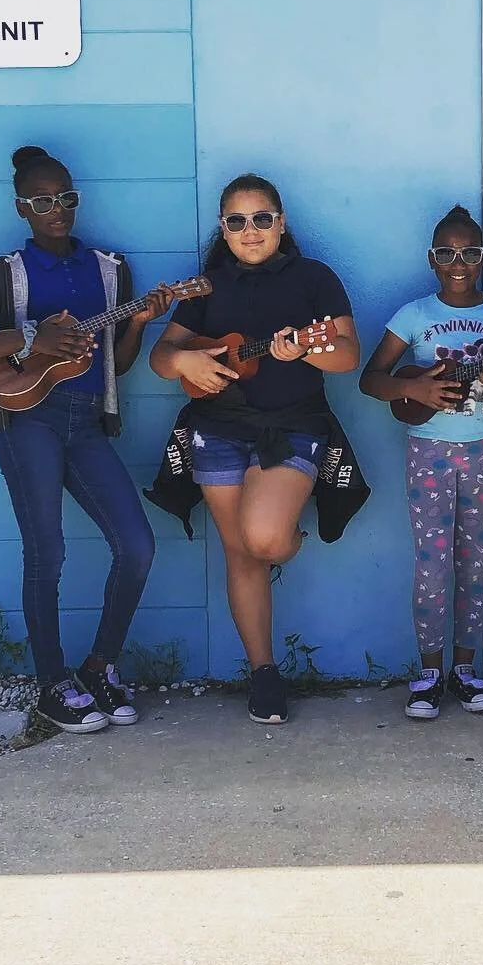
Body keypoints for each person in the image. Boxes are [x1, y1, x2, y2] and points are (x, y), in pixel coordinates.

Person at [0, 145, 170, 734]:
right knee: (48, 552)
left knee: (137, 546)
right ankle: (51, 682)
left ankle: (99, 667)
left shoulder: (112, 270)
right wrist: (27, 338)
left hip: (87, 420)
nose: (56, 209)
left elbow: (117, 363)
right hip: (27, 420)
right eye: (43, 201)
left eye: (66, 198)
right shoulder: (6, 274)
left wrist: (138, 322)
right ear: (22, 207)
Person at [148, 175, 360, 724]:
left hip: (292, 426)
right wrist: (185, 362)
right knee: (238, 552)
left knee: (263, 539)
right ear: (224, 227)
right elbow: (162, 357)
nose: (250, 231)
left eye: (261, 218)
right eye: (237, 221)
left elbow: (346, 355)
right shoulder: (206, 288)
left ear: (281, 223)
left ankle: (290, 540)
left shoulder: (314, 278)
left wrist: (302, 353)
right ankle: (264, 671)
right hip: (215, 427)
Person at [359, 206, 483, 720]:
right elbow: (371, 378)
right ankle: (428, 672)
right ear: (431, 259)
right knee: (431, 561)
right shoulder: (414, 315)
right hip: (428, 449)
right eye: (446, 253)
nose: (458, 262)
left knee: (474, 561)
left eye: (469, 252)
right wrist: (413, 386)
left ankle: (466, 669)